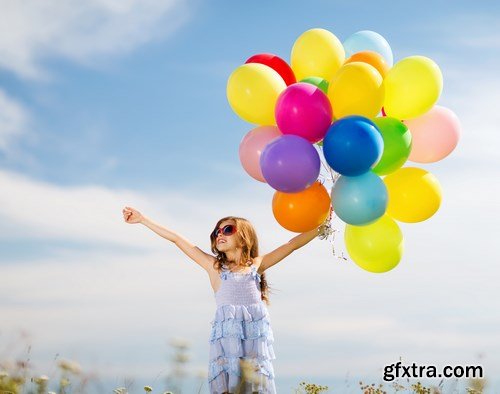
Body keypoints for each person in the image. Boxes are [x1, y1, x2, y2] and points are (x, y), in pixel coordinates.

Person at [122, 206, 326, 393]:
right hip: (227, 347)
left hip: (253, 344)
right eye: (217, 232)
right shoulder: (215, 268)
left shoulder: (256, 265)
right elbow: (176, 239)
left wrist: (322, 226)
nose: (220, 234)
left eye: (227, 230)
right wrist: (143, 219)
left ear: (244, 237)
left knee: (254, 386)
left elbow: (291, 245)